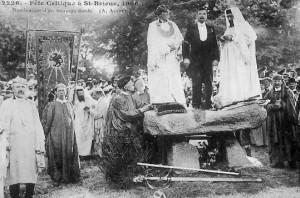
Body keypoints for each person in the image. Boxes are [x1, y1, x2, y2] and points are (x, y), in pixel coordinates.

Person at [102, 75, 152, 188]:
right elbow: (126, 115)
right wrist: (142, 110)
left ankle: (132, 179)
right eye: (131, 83)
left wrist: (149, 106)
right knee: (122, 156)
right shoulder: (118, 99)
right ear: (125, 86)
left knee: (132, 155)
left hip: (131, 130)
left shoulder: (130, 96)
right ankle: (120, 181)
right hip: (121, 131)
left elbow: (139, 104)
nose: (133, 85)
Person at [0, 76, 45, 198]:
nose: (20, 89)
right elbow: (2, 124)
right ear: (13, 89)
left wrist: (39, 141)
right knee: (14, 173)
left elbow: (37, 124)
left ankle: (29, 195)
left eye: (23, 87)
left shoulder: (31, 104)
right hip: (14, 145)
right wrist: (5, 141)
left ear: (26, 89)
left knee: (30, 171)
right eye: (18, 87)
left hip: (30, 144)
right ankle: (14, 195)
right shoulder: (6, 104)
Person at [217, 7, 261, 107]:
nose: (229, 18)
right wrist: (223, 40)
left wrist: (233, 38)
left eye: (231, 16)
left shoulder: (244, 25)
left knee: (239, 74)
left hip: (240, 57)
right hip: (230, 58)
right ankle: (232, 99)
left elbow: (251, 38)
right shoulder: (228, 29)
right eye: (227, 16)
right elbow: (226, 44)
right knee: (231, 76)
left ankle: (241, 98)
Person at [147, 5, 186, 105]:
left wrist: (174, 46)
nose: (168, 14)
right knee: (162, 78)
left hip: (172, 57)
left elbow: (179, 38)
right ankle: (162, 103)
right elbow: (151, 43)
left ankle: (177, 102)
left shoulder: (173, 24)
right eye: (165, 12)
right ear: (160, 14)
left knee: (173, 78)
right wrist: (165, 49)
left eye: (168, 12)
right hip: (160, 57)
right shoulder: (153, 25)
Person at [43, 83, 80, 185]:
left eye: (63, 90)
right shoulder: (51, 105)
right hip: (56, 135)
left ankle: (70, 176)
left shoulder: (69, 104)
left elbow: (73, 118)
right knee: (57, 155)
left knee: (69, 153)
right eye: (59, 90)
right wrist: (46, 135)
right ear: (55, 92)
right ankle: (57, 177)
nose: (61, 92)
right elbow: (47, 121)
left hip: (69, 135)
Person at [182, 7, 220, 109]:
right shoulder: (191, 28)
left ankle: (209, 104)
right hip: (195, 61)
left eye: (204, 13)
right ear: (196, 15)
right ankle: (195, 106)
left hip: (207, 61)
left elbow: (215, 45)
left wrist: (216, 58)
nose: (202, 15)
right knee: (196, 83)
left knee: (209, 83)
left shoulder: (211, 28)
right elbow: (185, 44)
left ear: (206, 16)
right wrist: (186, 58)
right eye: (200, 13)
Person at [264, 75, 297, 168]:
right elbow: (264, 102)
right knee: (276, 140)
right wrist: (270, 106)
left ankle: (292, 161)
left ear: (282, 82)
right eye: (275, 81)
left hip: (286, 121)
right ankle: (279, 161)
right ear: (273, 82)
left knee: (288, 140)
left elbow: (291, 105)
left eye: (278, 81)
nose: (277, 83)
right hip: (274, 122)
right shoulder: (270, 92)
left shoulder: (287, 92)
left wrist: (282, 105)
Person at [73, 86, 96, 157]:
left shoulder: (89, 101)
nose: (80, 94)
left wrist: (89, 111)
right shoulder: (75, 103)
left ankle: (86, 153)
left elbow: (94, 110)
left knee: (87, 138)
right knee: (78, 137)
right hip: (78, 122)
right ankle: (79, 153)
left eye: (81, 93)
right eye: (78, 93)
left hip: (87, 122)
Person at [90, 88, 108, 157]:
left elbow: (99, 114)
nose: (94, 96)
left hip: (100, 121)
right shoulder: (100, 102)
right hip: (98, 121)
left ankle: (101, 154)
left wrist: (91, 111)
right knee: (98, 136)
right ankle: (98, 153)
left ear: (99, 94)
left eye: (95, 95)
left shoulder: (102, 102)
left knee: (100, 137)